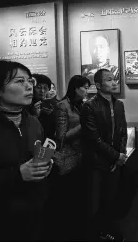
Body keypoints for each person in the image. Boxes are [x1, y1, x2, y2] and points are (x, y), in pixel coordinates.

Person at [0, 60, 53, 240]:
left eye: (30, 81)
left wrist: (45, 165)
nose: (29, 87)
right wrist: (17, 174)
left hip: (33, 214)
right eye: (20, 82)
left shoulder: (33, 122)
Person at [80, 69, 127, 241]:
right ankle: (94, 233)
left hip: (114, 161)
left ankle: (107, 230)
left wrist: (120, 155)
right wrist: (116, 156)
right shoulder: (89, 106)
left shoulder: (119, 104)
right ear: (98, 85)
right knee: (94, 202)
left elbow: (123, 131)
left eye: (114, 79)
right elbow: (94, 138)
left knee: (110, 199)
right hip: (96, 162)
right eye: (109, 80)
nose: (114, 82)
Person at [45, 75, 90, 240]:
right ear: (75, 88)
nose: (86, 90)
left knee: (82, 199)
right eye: (84, 87)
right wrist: (83, 124)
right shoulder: (62, 106)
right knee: (70, 199)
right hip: (70, 157)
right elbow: (61, 137)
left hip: (84, 156)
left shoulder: (83, 105)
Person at [28, 73, 57, 140]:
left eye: (45, 88)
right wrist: (35, 115)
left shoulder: (52, 103)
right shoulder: (27, 104)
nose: (42, 91)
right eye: (39, 87)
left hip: (50, 142)